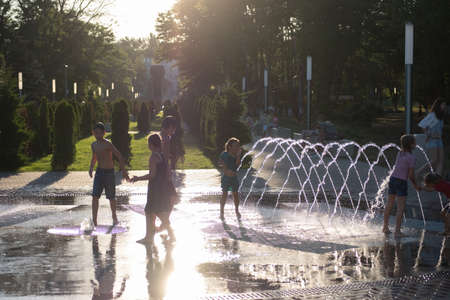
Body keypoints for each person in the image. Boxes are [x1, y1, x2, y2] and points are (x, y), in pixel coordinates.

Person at [131, 134, 174, 245]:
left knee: (154, 211)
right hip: (162, 187)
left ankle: (152, 237)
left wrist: (138, 178)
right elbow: (167, 172)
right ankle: (150, 237)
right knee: (151, 212)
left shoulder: (153, 157)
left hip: (155, 188)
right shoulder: (163, 155)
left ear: (151, 144)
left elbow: (152, 175)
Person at [89, 122, 129, 226]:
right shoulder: (93, 145)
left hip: (109, 173)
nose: (97, 135)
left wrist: (123, 171)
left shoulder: (107, 144)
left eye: (99, 133)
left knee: (111, 197)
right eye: (95, 133)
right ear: (93, 133)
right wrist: (91, 167)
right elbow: (94, 157)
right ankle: (94, 220)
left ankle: (114, 216)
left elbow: (119, 156)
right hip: (99, 173)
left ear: (104, 133)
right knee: (95, 196)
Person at [382, 134, 420, 236]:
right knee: (400, 207)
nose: (416, 144)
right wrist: (416, 185)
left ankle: (385, 227)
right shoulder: (411, 157)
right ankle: (397, 231)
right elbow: (411, 175)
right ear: (411, 145)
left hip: (393, 179)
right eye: (414, 142)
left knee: (389, 204)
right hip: (401, 182)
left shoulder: (400, 153)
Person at [418, 98, 446, 176]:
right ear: (438, 105)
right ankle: (418, 173)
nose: (444, 106)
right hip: (432, 141)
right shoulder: (432, 115)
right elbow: (422, 125)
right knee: (434, 160)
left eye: (444, 105)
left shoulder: (441, 116)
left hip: (439, 140)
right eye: (443, 104)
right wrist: (428, 135)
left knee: (441, 161)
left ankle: (437, 179)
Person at [219, 137, 242, 220]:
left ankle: (236, 210)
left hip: (234, 178)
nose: (237, 147)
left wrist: (238, 156)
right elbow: (223, 165)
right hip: (226, 178)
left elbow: (237, 165)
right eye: (235, 146)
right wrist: (226, 171)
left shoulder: (236, 155)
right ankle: (221, 212)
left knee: (235, 194)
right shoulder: (224, 154)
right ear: (229, 147)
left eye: (238, 146)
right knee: (224, 194)